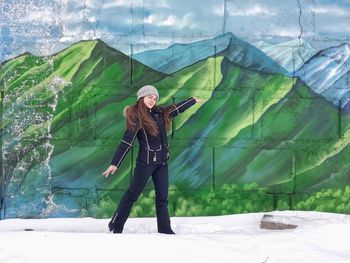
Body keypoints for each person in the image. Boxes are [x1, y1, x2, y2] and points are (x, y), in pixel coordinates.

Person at [102, 85, 203, 234]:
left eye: (155, 98)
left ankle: (165, 230)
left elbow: (175, 109)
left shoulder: (159, 113)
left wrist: (192, 100)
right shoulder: (136, 117)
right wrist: (114, 163)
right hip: (145, 163)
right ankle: (115, 226)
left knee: (162, 198)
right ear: (141, 97)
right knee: (132, 195)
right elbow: (127, 142)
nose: (152, 100)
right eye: (149, 97)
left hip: (162, 164)